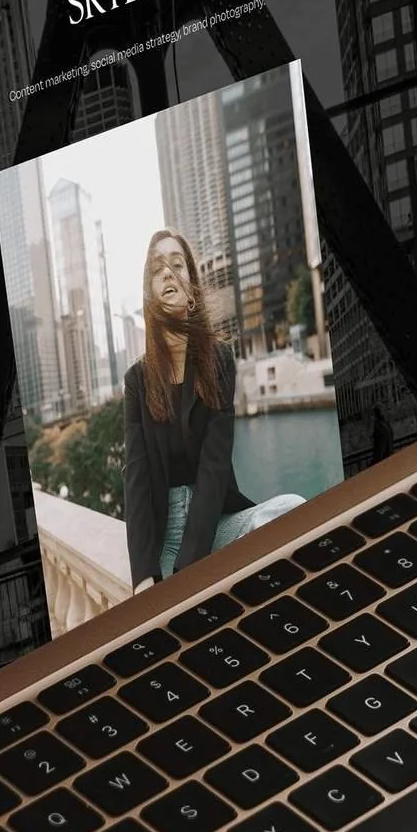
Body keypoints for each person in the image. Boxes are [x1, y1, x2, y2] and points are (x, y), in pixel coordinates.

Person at [122, 227, 304, 587]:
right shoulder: (137, 380)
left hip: (214, 522)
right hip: (165, 536)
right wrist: (144, 575)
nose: (169, 274)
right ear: (151, 293)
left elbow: (215, 466)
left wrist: (188, 570)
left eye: (177, 265)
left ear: (191, 286)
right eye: (158, 269)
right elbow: (137, 478)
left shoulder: (219, 359)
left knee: (293, 508)